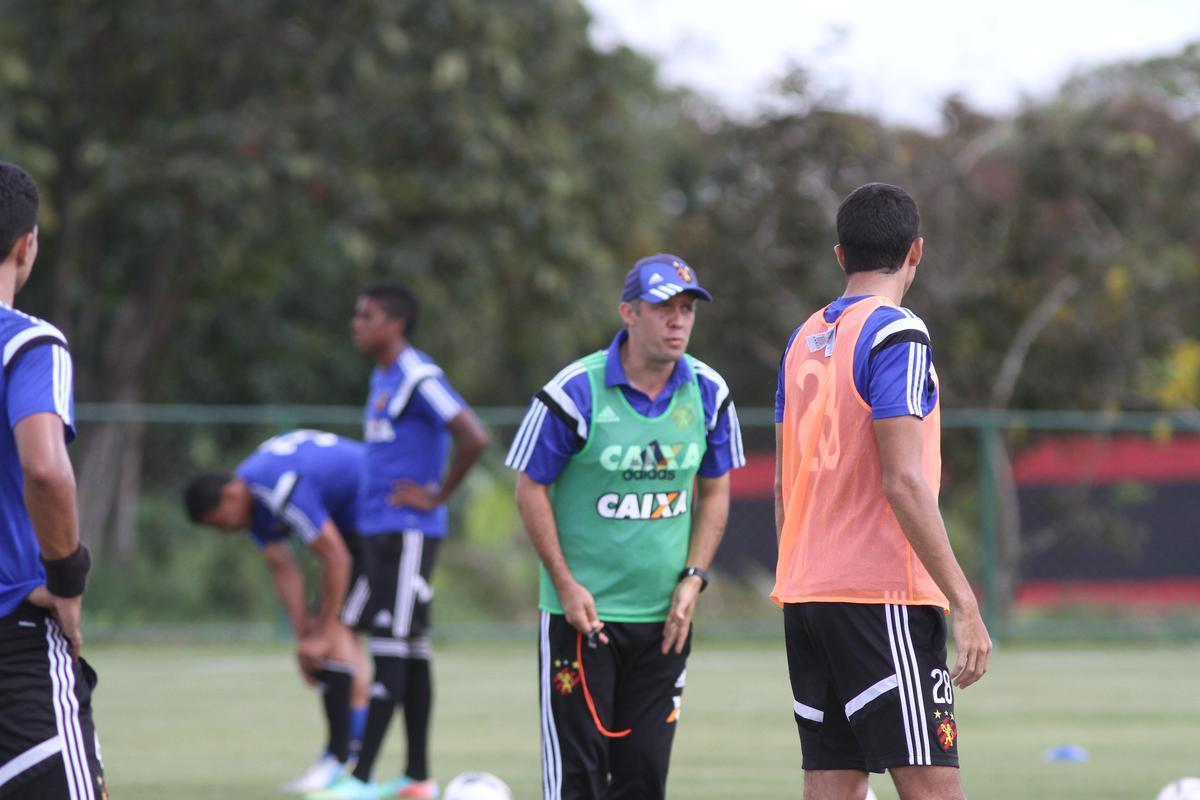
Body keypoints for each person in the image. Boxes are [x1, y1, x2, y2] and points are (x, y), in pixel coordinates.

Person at [773, 183, 992, 800]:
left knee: (834, 784)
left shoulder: (802, 339)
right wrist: (964, 601)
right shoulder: (898, 333)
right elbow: (903, 479)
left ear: (841, 254)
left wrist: (804, 570)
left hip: (807, 593)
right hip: (880, 595)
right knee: (933, 787)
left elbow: (782, 483)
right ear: (916, 251)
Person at [506, 254, 744, 800]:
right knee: (579, 781)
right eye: (663, 308)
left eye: (686, 309)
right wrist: (565, 585)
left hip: (665, 623)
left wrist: (694, 577)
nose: (677, 321)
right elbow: (530, 487)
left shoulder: (709, 393)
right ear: (628, 313)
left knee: (643, 777)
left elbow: (715, 490)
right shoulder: (575, 392)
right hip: (581, 621)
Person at [314, 283, 489, 800]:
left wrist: (436, 496)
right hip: (380, 532)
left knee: (391, 642)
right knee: (408, 646)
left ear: (395, 324)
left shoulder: (417, 373)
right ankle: (416, 777)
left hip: (409, 532)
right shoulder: (383, 375)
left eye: (365, 315)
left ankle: (360, 778)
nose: (356, 323)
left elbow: (472, 434)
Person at [182, 429, 371, 794]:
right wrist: (305, 639)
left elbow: (336, 556)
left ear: (231, 495)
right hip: (352, 533)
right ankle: (347, 760)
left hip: (380, 519)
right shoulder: (254, 500)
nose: (225, 532)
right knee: (333, 637)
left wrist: (321, 634)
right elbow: (282, 565)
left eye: (221, 522)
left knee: (337, 635)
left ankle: (342, 760)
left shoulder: (274, 488)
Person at [0, 161, 108, 798]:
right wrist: (66, 578)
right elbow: (44, 466)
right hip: (12, 638)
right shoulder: (28, 343)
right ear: (27, 244)